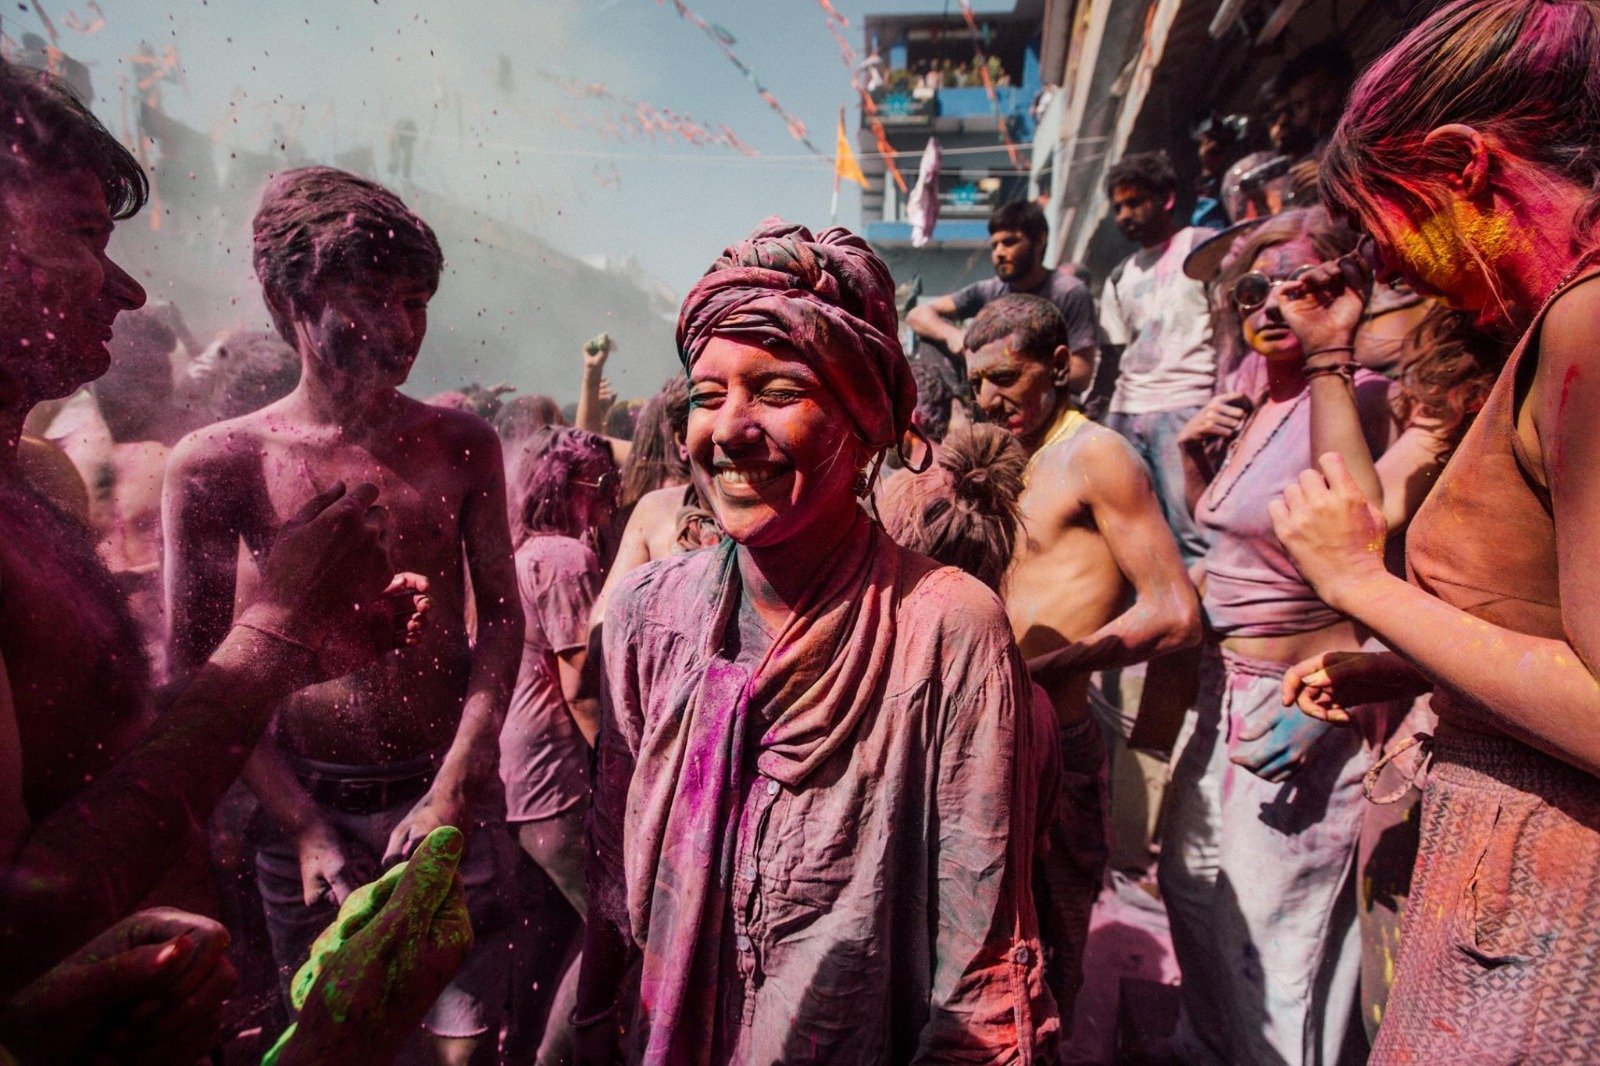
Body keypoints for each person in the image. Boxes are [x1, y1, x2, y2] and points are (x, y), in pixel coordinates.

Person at [0, 60, 429, 1015]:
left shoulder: (34, 481)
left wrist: (298, 649)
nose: (125, 289)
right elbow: (15, 925)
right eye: (80, 234)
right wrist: (271, 638)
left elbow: (98, 750)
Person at [577, 220, 1056, 1062]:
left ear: (864, 418)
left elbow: (978, 964)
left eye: (776, 391)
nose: (727, 429)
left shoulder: (946, 628)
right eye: (706, 395)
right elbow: (616, 899)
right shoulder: (648, 616)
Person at [1271, 4, 1600, 1057]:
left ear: (1464, 163)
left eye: (1386, 225)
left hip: (1549, 926)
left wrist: (1365, 586)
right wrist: (1410, 665)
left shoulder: (1587, 324)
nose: (1391, 270)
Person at [163, 166, 523, 1066]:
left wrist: (456, 785)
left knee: (465, 1049)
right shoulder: (221, 463)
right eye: (372, 298)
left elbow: (504, 622)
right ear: (290, 297)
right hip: (306, 818)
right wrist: (300, 824)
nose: (403, 330)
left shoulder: (461, 445)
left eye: (417, 300)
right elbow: (199, 673)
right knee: (333, 1045)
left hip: (445, 810)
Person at [1163, 208, 1403, 1066]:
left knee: (1274, 948)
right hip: (1221, 686)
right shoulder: (1256, 398)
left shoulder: (1361, 396)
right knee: (1191, 892)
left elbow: (1365, 534)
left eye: (1300, 286)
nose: (1273, 305)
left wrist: (1333, 351)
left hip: (1302, 694)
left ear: (1341, 291)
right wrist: (1197, 462)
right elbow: (1230, 531)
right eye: (1257, 289)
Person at [963, 294, 1201, 1021]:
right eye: (976, 382)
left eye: (1005, 378)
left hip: (1058, 744)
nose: (987, 397)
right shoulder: (1005, 457)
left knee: (1056, 944)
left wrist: (1047, 669)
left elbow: (1176, 613)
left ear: (1059, 366)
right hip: (986, 743)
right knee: (986, 942)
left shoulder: (1095, 453)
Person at [500, 425, 616, 1062]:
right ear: (571, 486)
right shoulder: (566, 558)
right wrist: (619, 769)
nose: (605, 497)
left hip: (521, 774)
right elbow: (580, 686)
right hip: (557, 772)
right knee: (613, 930)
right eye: (598, 484)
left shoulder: (521, 552)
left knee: (545, 940)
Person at [1100, 152, 1220, 564]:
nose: (1124, 214)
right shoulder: (1120, 275)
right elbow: (1118, 352)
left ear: (1166, 198)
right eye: (1117, 207)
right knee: (1136, 534)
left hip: (1186, 404)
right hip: (1128, 410)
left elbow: (1229, 331)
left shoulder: (1202, 248)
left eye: (1134, 202)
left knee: (1193, 531)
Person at [907, 200, 1099, 394]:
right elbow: (917, 315)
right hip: (993, 395)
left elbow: (1081, 374)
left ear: (1039, 241)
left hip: (1044, 399)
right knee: (932, 340)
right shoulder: (989, 291)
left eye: (1009, 242)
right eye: (994, 245)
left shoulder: (1069, 292)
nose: (999, 253)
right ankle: (956, 414)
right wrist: (953, 336)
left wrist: (1017, 368)